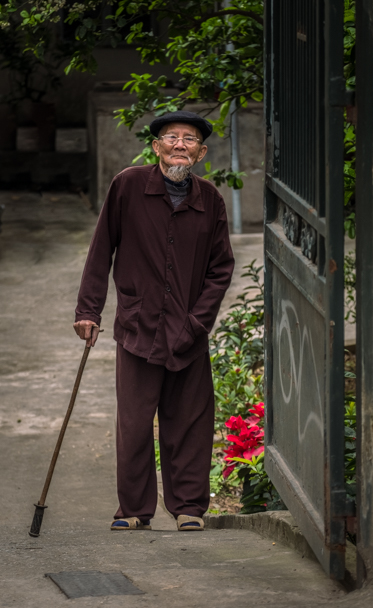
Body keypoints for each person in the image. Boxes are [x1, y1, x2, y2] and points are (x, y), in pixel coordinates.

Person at [74, 110, 234, 531]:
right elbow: (101, 249)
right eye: (170, 137)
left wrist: (197, 323)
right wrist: (89, 311)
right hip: (137, 328)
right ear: (156, 146)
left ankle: (188, 508)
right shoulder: (127, 186)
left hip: (188, 332)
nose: (179, 144)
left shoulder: (211, 200)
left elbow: (220, 270)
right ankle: (133, 510)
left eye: (189, 139)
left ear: (200, 153)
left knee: (190, 422)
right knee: (134, 422)